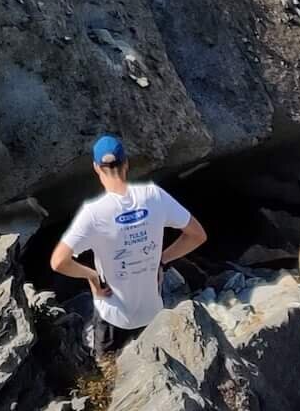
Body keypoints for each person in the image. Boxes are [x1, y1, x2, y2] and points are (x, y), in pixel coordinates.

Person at [50, 134, 204, 357]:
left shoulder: (94, 213)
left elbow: (58, 261)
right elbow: (197, 235)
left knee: (109, 375)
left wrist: (92, 276)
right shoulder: (154, 196)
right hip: (152, 313)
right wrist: (162, 260)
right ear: (126, 163)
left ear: (96, 168)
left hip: (112, 315)